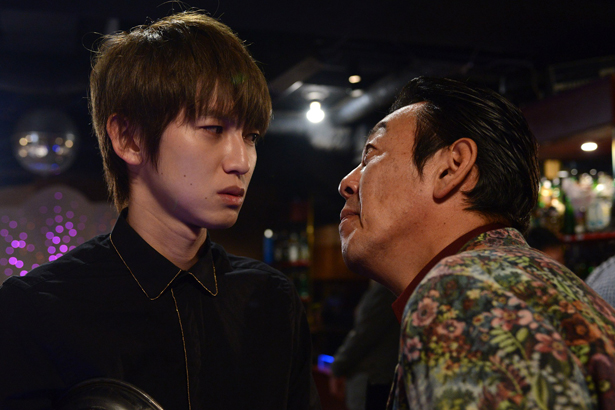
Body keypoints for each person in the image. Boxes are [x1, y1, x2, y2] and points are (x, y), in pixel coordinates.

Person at [0, 11, 320, 410]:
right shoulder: (38, 309)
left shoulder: (271, 300)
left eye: (251, 136)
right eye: (213, 129)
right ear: (129, 138)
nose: (241, 161)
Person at [338, 76, 615, 410]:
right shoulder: (541, 283)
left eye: (370, 155)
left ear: (451, 167)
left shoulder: (462, 292)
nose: (346, 183)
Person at [328, 280, 400, 410]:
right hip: (377, 378)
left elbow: (363, 334)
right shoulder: (383, 287)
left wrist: (337, 367)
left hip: (373, 378)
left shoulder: (384, 288)